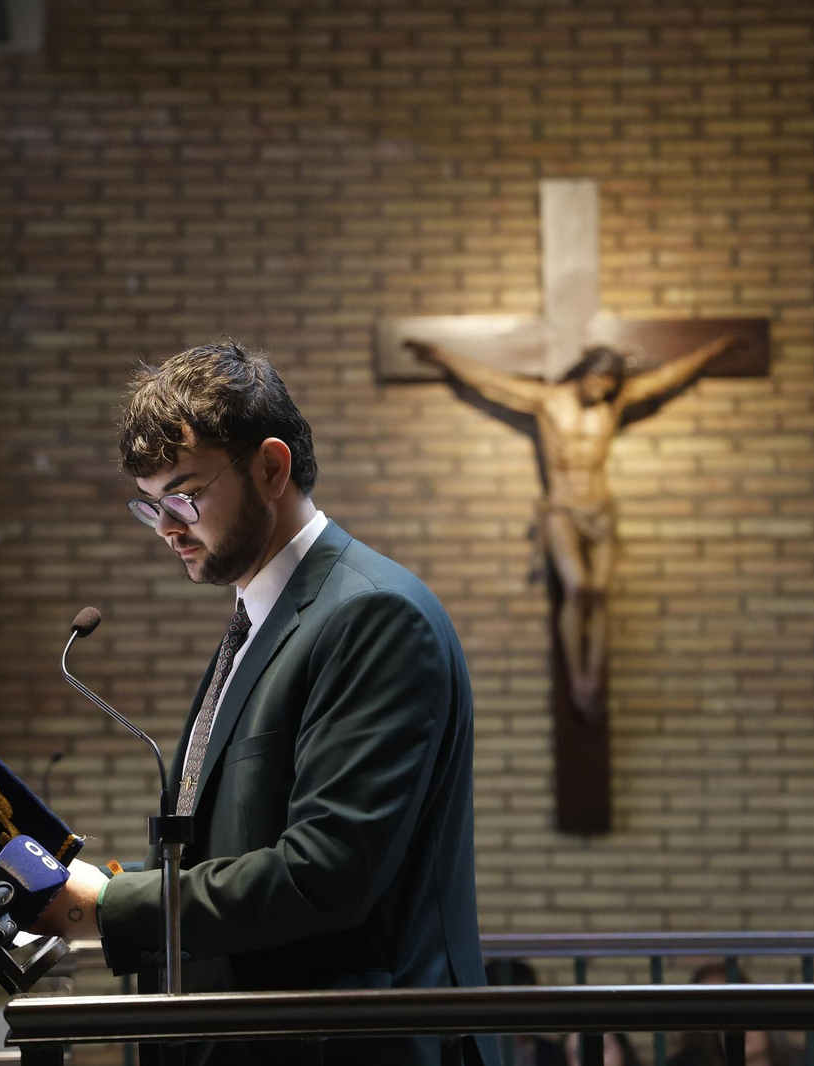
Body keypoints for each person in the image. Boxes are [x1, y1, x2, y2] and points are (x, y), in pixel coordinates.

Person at [30, 340, 498, 1066]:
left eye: (184, 495)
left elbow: (324, 872)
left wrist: (109, 904)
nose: (167, 528)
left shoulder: (372, 615)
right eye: (150, 506)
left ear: (271, 468)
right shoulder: (264, 615)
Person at [408, 335, 745, 720]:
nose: (602, 390)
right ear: (586, 372)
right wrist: (440, 355)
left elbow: (666, 378)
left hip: (601, 508)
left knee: (600, 593)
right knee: (578, 586)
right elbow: (489, 381)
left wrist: (712, 351)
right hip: (563, 509)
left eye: (610, 385)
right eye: (598, 381)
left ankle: (592, 677)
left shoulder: (614, 403)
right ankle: (576, 674)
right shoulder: (549, 399)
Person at [667, 962, 799, 1066]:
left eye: (748, 1016)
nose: (742, 1028)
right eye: (709, 1001)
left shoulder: (799, 1060)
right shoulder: (689, 1060)